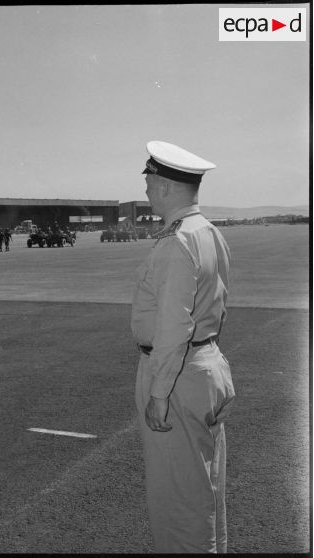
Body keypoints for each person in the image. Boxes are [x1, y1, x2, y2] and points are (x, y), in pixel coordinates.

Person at [131, 141, 235, 553]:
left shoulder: (177, 241)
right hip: (205, 363)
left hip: (178, 375)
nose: (146, 190)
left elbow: (174, 327)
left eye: (150, 181)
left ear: (167, 186)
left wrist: (159, 393)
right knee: (205, 491)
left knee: (179, 504)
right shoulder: (207, 233)